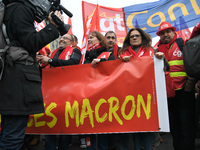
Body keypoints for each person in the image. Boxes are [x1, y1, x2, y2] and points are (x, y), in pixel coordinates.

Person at [0, 0, 66, 149]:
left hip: (11, 80)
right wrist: (53, 27)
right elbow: (31, 42)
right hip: (17, 82)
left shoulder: (11, 9)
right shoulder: (20, 9)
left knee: (9, 132)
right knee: (13, 136)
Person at [36, 33, 82, 150]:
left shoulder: (75, 52)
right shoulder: (54, 52)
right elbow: (50, 68)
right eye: (61, 38)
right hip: (52, 93)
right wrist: (42, 63)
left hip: (67, 93)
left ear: (72, 43)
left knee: (64, 123)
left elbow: (73, 64)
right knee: (50, 123)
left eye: (65, 38)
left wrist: (50, 60)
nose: (61, 40)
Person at [156, 21, 197, 150]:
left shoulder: (183, 44)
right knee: (174, 126)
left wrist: (191, 80)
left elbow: (193, 63)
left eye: (168, 31)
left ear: (174, 32)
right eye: (162, 33)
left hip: (185, 90)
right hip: (168, 94)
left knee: (186, 124)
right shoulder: (157, 50)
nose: (165, 35)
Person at [119, 28, 155, 150]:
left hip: (147, 94)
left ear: (142, 37)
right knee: (135, 127)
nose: (134, 38)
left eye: (137, 35)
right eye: (131, 36)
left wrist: (161, 58)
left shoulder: (151, 51)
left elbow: (165, 67)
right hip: (129, 95)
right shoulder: (122, 53)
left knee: (147, 127)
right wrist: (121, 62)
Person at [84, 31, 115, 150]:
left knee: (102, 130)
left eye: (92, 37)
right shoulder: (84, 56)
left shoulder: (107, 54)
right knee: (88, 129)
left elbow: (114, 70)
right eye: (88, 38)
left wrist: (102, 63)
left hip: (102, 98)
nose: (89, 39)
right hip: (86, 97)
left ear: (100, 40)